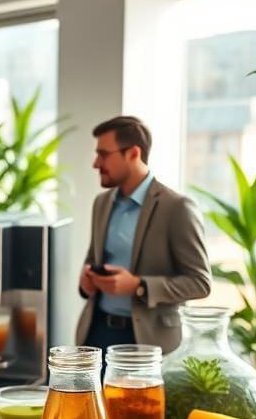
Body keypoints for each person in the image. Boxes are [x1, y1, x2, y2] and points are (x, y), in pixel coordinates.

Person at [75, 115, 211, 354]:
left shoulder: (177, 208)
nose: (96, 163)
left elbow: (200, 283)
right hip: (96, 333)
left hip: (148, 342)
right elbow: (93, 258)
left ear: (133, 153)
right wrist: (87, 281)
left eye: (104, 154)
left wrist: (139, 286)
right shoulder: (102, 203)